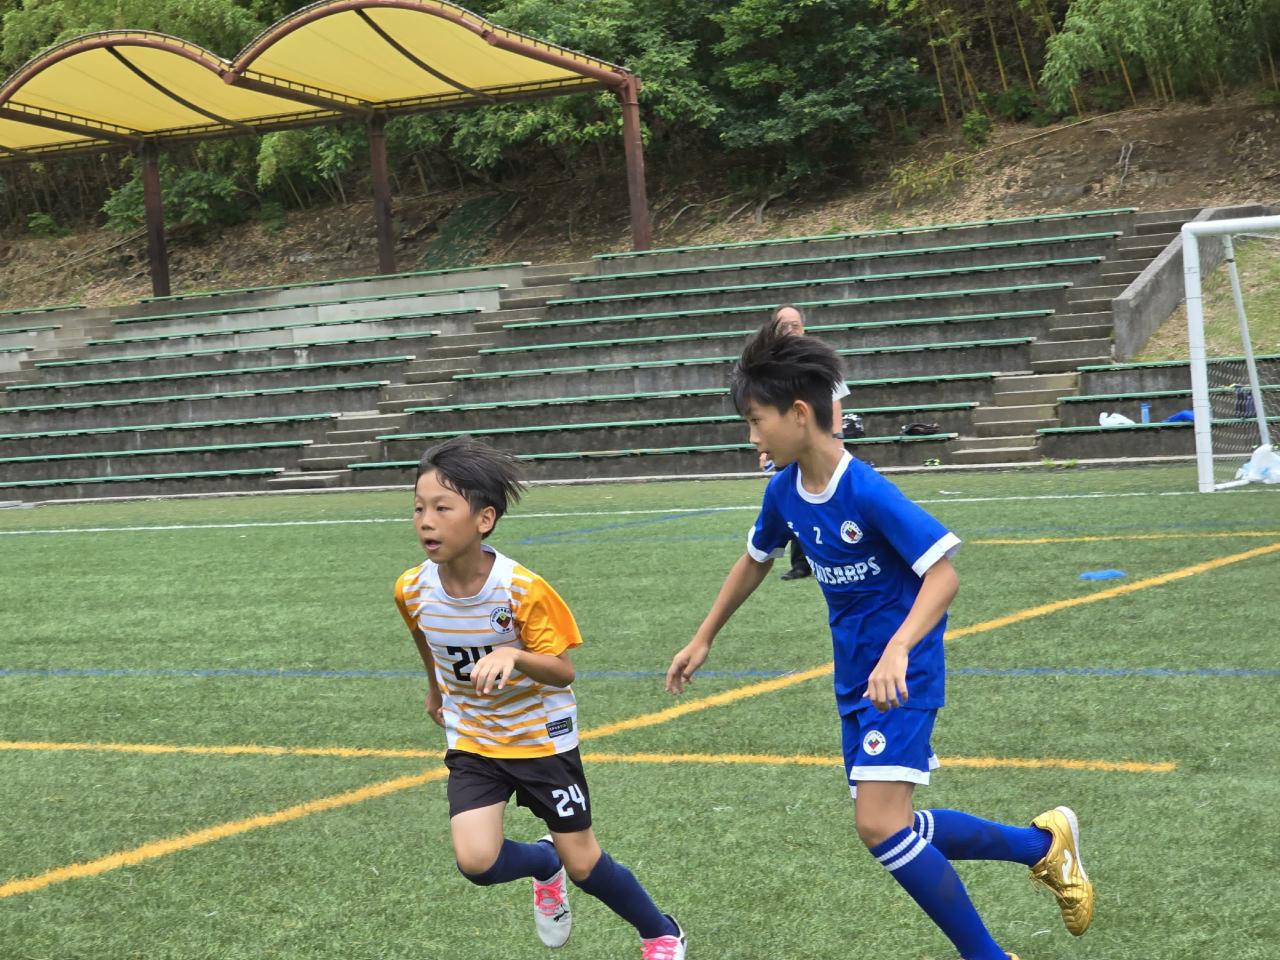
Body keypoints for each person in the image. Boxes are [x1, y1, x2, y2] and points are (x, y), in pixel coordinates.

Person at [665, 321, 1093, 960]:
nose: (752, 437)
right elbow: (755, 559)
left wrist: (898, 649)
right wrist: (704, 637)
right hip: (856, 680)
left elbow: (943, 577)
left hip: (902, 676)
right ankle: (1042, 845)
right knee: (895, 824)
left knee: (878, 825)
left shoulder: (865, 490)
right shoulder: (784, 491)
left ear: (799, 413)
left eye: (756, 421)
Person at [395, 436, 687, 959]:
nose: (425, 521)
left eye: (442, 508)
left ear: (484, 519)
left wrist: (515, 655)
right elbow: (425, 636)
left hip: (541, 740)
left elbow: (561, 670)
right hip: (475, 737)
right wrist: (435, 688)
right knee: (477, 862)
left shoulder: (521, 590)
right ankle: (542, 862)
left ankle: (661, 932)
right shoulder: (411, 589)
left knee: (585, 865)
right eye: (419, 508)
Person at [761, 304, 851, 582]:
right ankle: (800, 563)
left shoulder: (818, 359)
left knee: (830, 499)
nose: (790, 330)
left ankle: (837, 555)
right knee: (792, 502)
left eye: (795, 324)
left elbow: (835, 399)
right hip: (787, 445)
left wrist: (837, 438)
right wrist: (766, 446)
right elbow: (765, 411)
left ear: (803, 328)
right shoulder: (768, 365)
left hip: (818, 443)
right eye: (783, 326)